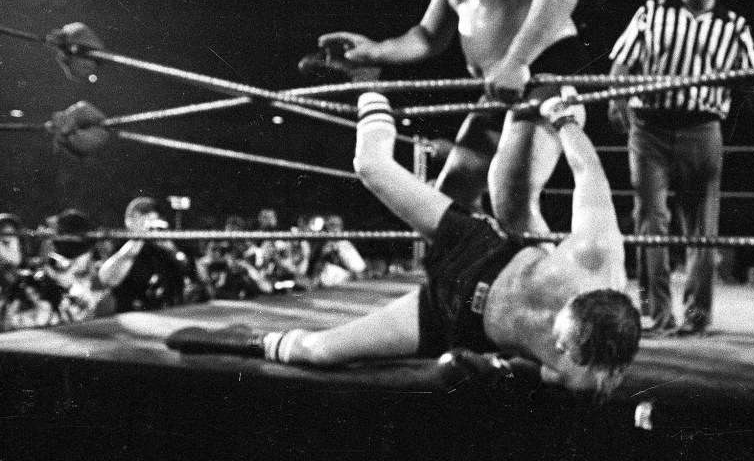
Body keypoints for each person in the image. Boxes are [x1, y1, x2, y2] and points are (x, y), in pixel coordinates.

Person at [167, 92, 641, 395]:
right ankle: (372, 89)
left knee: (318, 353)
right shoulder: (595, 255)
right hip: (478, 249)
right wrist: (564, 120)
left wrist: (492, 367)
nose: (552, 343)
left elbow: (537, 374)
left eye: (558, 345)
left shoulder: (585, 376)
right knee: (370, 166)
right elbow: (589, 176)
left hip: (450, 319)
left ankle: (245, 340)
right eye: (559, 332)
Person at [316, 0, 586, 235]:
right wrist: (372, 51)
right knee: (452, 195)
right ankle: (483, 284)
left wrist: (517, 60)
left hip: (546, 69)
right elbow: (427, 37)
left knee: (510, 196)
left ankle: (541, 291)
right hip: (498, 88)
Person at [608, 0, 754, 336]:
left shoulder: (733, 26)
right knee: (650, 220)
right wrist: (616, 99)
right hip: (649, 126)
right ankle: (657, 313)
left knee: (702, 226)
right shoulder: (652, 12)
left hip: (701, 128)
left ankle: (697, 315)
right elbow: (622, 61)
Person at [98, 197, 194, 313]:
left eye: (154, 219)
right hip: (130, 314)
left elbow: (189, 271)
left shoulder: (164, 247)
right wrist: (139, 238)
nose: (150, 225)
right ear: (130, 221)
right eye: (144, 220)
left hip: (166, 314)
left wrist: (171, 248)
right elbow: (108, 279)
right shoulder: (121, 244)